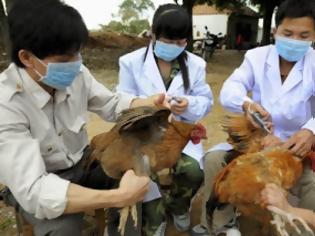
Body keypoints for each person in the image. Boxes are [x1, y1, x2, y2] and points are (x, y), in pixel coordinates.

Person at [0, 0, 171, 235]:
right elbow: (35, 188)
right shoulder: (5, 104)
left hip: (84, 163)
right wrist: (117, 197)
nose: (75, 64)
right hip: (43, 179)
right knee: (63, 228)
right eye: (64, 59)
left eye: (78, 54)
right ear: (27, 58)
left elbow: (110, 104)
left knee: (132, 173)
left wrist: (148, 103)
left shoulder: (77, 74)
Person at [192, 0, 315, 235]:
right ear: (275, 31)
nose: (295, 40)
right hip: (256, 142)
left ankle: (301, 227)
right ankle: (220, 226)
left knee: (311, 186)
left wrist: (311, 130)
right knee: (214, 160)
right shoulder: (256, 57)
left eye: (304, 35)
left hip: (294, 149)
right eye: (288, 33)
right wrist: (247, 105)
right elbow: (230, 89)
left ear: (314, 36)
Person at [116, 4, 213, 235]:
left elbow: (206, 102)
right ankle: (155, 213)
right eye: (168, 41)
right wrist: (151, 104)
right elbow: (123, 102)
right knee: (143, 169)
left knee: (193, 171)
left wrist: (189, 105)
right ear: (154, 34)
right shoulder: (130, 62)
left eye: (181, 42)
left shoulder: (196, 65)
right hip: (144, 135)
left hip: (179, 134)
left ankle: (178, 206)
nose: (175, 47)